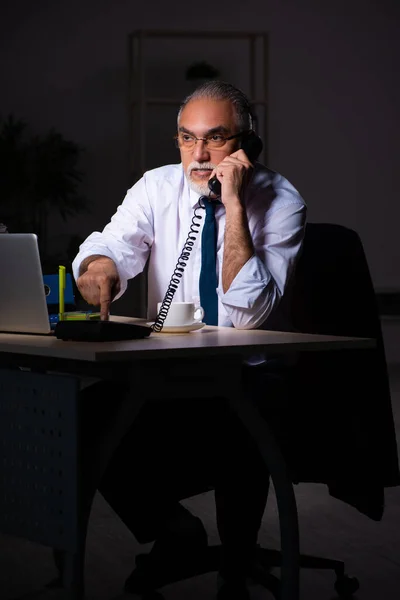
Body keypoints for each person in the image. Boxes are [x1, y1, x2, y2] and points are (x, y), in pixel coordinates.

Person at [72, 81, 307, 599]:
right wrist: (99, 265)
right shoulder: (157, 187)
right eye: (186, 138)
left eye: (216, 139)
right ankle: (175, 530)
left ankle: (236, 565)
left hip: (253, 375)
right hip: (171, 370)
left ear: (246, 142)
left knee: (239, 423)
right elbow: (112, 242)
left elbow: (248, 315)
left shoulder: (282, 199)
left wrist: (234, 204)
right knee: (81, 418)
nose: (198, 155)